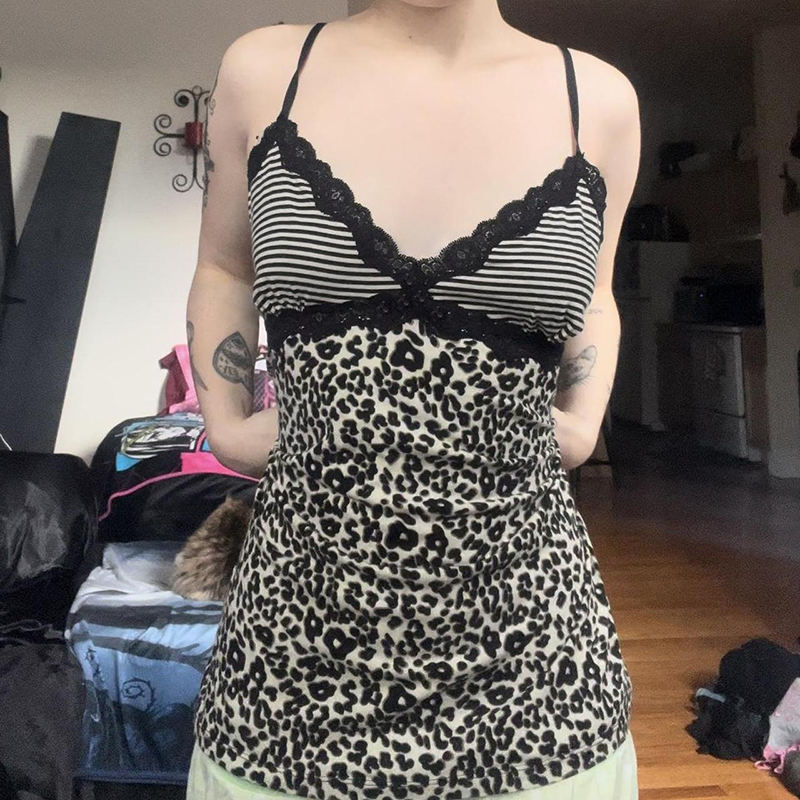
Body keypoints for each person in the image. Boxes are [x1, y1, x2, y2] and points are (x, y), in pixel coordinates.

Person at [185, 3, 641, 799]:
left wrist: (580, 421)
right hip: (290, 668)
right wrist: (224, 424)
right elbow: (226, 267)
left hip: (536, 667)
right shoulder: (264, 70)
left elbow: (594, 293)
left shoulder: (597, 99)